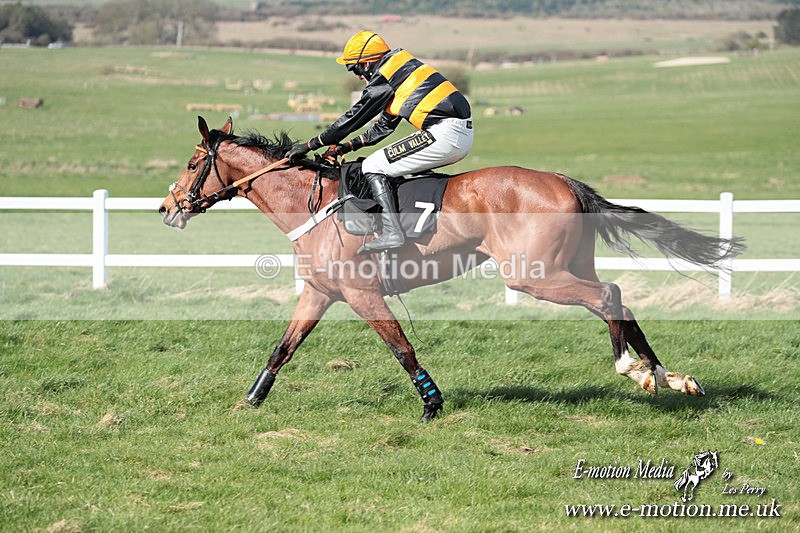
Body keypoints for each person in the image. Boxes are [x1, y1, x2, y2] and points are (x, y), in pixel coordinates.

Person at [287, 30, 473, 255]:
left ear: (366, 62)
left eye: (354, 68)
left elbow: (355, 117)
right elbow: (382, 127)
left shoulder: (385, 75)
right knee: (383, 164)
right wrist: (348, 146)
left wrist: (312, 144)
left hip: (444, 133)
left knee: (372, 166)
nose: (356, 75)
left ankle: (392, 232)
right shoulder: (400, 69)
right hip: (452, 132)